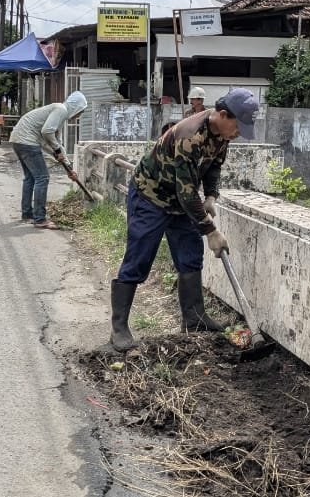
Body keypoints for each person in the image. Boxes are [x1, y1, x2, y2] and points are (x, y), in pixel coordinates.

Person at [110, 88, 259, 352]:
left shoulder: (223, 134)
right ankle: (119, 328)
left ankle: (194, 318)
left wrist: (212, 195)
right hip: (151, 196)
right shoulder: (191, 135)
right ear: (223, 115)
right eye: (238, 126)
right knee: (139, 257)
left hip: (180, 202)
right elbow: (187, 190)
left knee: (190, 254)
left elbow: (213, 165)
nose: (238, 133)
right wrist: (211, 231)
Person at [9, 91, 88, 229]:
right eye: (80, 111)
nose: (79, 115)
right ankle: (39, 219)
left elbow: (54, 142)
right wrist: (56, 151)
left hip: (18, 140)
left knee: (30, 178)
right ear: (76, 107)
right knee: (42, 177)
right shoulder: (61, 110)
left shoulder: (59, 113)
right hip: (27, 141)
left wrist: (69, 167)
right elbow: (47, 133)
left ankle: (27, 213)